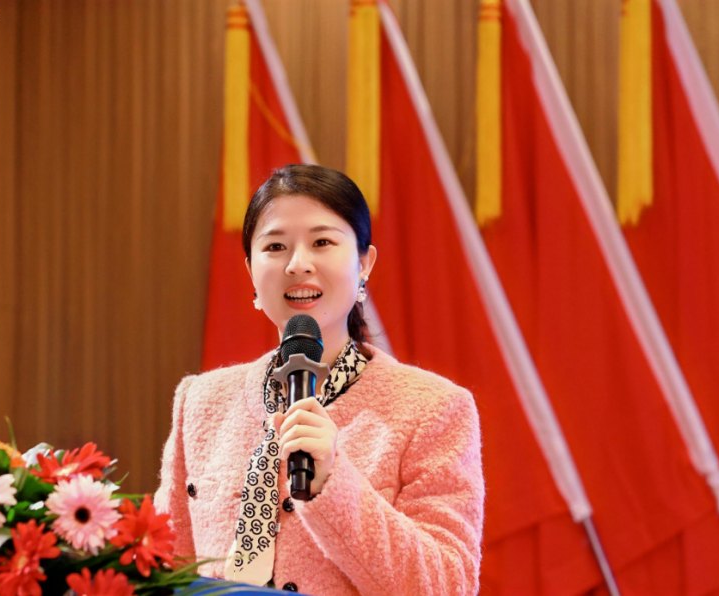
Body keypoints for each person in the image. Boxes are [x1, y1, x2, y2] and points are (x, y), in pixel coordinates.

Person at [155, 164, 484, 596]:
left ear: (364, 263)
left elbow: (448, 585)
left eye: (322, 242)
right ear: (251, 270)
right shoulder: (200, 402)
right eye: (275, 246)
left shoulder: (434, 409)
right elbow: (163, 567)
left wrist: (334, 482)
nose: (298, 264)